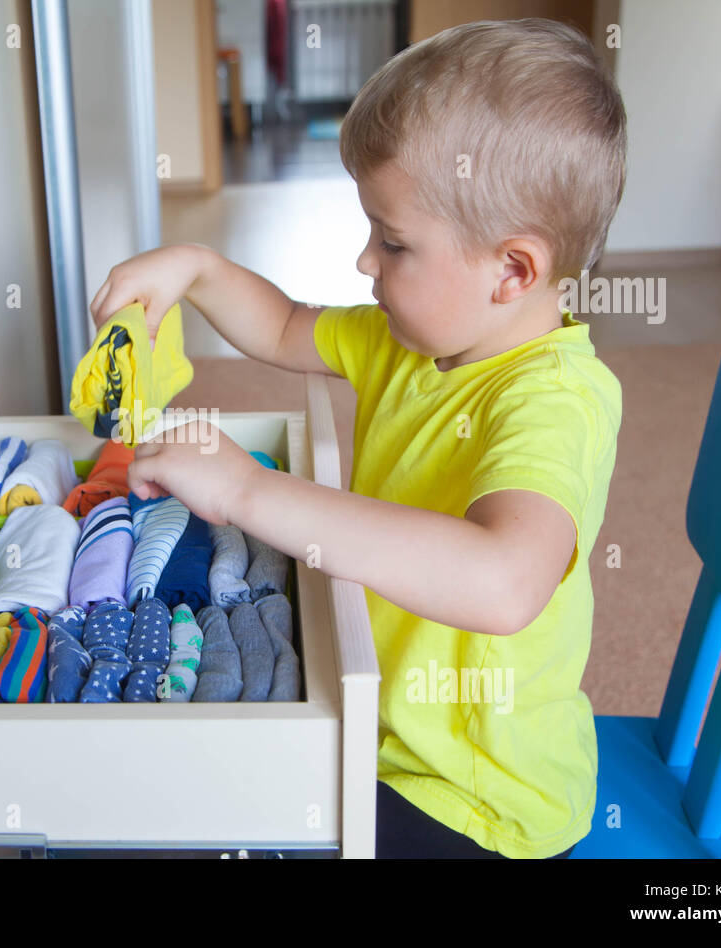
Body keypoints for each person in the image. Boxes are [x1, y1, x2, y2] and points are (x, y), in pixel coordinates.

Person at [91, 18, 626, 858]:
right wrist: (196, 267)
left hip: (469, 794)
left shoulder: (555, 400)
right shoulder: (414, 340)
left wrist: (250, 492)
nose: (364, 262)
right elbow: (283, 327)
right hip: (374, 721)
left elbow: (503, 581)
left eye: (395, 241)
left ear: (512, 271)